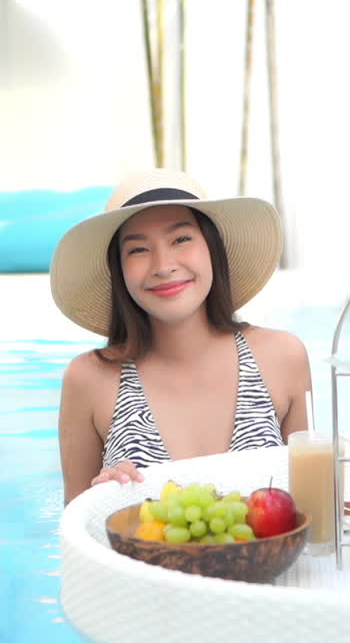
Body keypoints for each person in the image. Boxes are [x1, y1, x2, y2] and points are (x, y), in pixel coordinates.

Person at [51, 170, 311, 505]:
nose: (163, 265)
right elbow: (74, 533)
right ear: (119, 271)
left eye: (181, 239)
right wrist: (101, 501)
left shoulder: (283, 357)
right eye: (138, 249)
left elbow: (312, 510)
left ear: (211, 248)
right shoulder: (88, 379)